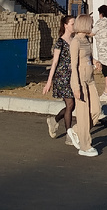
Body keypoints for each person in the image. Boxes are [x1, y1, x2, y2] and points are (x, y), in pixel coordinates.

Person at [69, 14, 101, 157]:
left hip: (90, 79)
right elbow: (74, 65)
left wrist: (95, 62)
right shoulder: (75, 42)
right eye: (91, 23)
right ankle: (85, 146)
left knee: (96, 110)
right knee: (82, 114)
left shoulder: (87, 40)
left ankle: (76, 130)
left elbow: (88, 57)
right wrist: (76, 87)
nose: (92, 26)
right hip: (80, 80)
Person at [42, 15, 76, 144]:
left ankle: (54, 120)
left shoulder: (75, 40)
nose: (74, 26)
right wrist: (49, 82)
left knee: (72, 106)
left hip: (73, 77)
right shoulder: (60, 42)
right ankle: (69, 135)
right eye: (72, 24)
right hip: (62, 77)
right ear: (66, 26)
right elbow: (55, 62)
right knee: (70, 104)